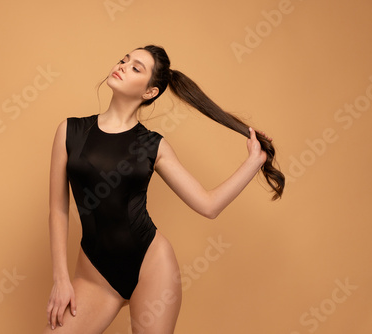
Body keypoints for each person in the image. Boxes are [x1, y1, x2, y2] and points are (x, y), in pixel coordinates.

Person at [42, 45, 284, 334]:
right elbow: (58, 209)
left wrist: (254, 162)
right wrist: (61, 279)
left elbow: (208, 205)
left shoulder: (152, 145)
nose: (122, 66)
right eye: (124, 59)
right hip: (95, 274)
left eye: (136, 68)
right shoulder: (70, 131)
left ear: (149, 92)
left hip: (151, 266)